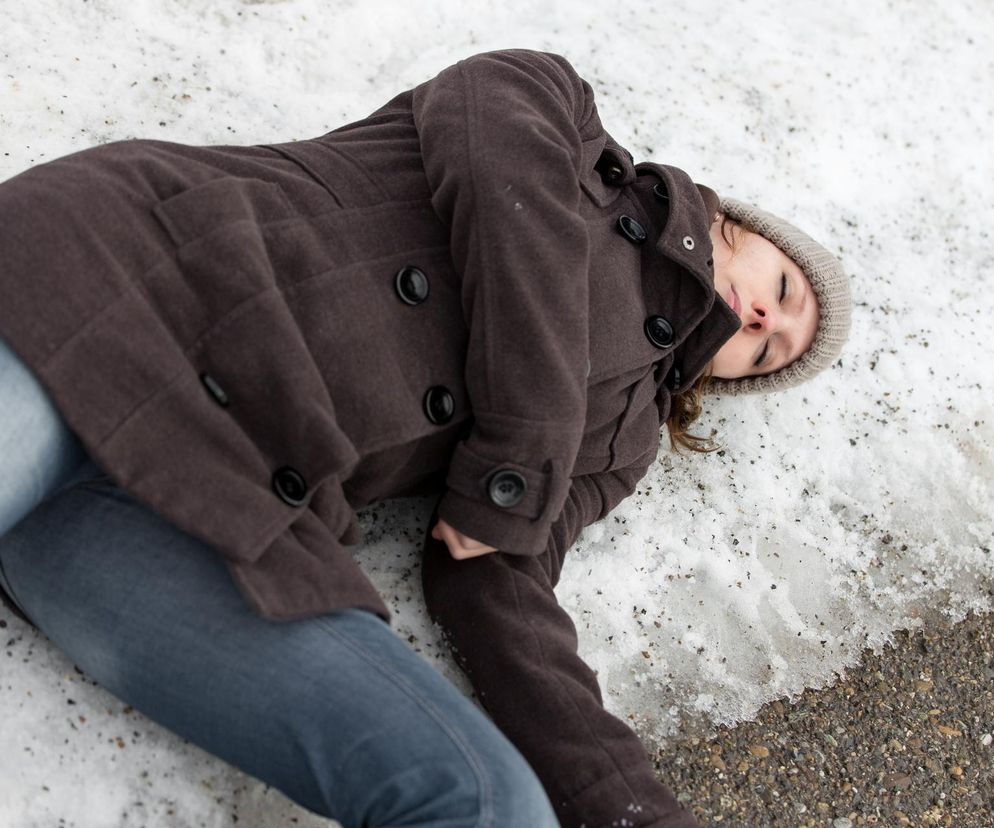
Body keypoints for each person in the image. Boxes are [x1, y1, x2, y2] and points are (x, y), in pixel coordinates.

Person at [0, 47, 851, 827]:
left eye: (768, 351)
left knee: (491, 803)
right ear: (737, 227)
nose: (767, 318)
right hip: (121, 295)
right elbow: (508, 203)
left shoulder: (618, 445)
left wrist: (628, 806)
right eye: (780, 285)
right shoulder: (559, 117)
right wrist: (518, 463)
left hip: (221, 503)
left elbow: (497, 581)